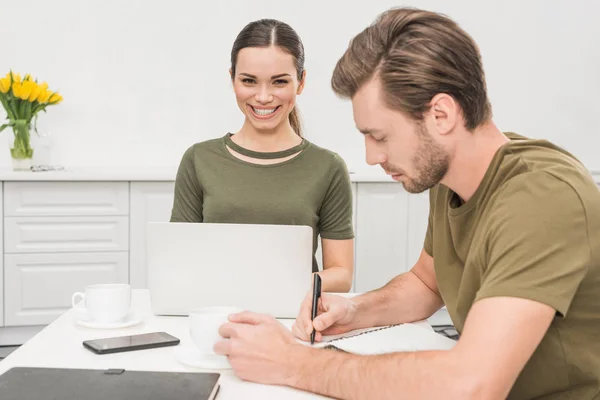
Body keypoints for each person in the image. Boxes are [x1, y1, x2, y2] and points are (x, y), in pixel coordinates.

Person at [213, 7, 600, 400]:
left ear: (441, 114)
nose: (370, 156)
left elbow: (472, 384)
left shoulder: (542, 197)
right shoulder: (447, 175)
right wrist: (353, 311)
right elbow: (425, 283)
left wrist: (293, 363)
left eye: (380, 137)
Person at [170, 19, 355, 292]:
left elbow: (341, 276)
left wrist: (271, 284)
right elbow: (178, 259)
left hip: (293, 318)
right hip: (215, 312)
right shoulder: (198, 159)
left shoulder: (328, 168)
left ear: (301, 82)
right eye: (249, 81)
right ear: (232, 79)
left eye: (279, 82)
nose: (264, 96)